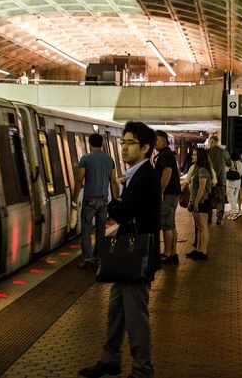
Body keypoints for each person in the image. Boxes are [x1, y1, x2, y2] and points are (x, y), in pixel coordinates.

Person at [79, 121, 161, 378]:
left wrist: (115, 204)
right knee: (116, 310)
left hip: (138, 256)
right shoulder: (137, 173)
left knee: (136, 315)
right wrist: (121, 204)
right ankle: (110, 359)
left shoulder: (146, 176)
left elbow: (124, 213)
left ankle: (142, 370)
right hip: (128, 256)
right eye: (123, 142)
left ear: (145, 147)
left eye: (130, 143)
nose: (124, 148)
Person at [72, 133, 120, 269]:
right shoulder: (109, 159)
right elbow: (113, 182)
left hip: (89, 199)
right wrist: (115, 199)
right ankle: (98, 256)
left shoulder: (86, 158)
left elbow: (80, 178)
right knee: (101, 229)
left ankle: (88, 258)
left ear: (90, 144)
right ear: (102, 144)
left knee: (86, 229)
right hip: (104, 199)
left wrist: (74, 198)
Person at [153, 130, 181, 265]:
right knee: (171, 224)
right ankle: (173, 252)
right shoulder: (166, 154)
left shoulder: (165, 155)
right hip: (172, 193)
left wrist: (160, 191)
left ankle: (167, 253)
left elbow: (167, 172)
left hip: (168, 193)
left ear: (164, 141)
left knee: (166, 224)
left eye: (156, 140)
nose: (154, 143)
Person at [182, 147, 214, 260]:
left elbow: (202, 188)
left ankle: (203, 251)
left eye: (195, 154)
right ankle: (198, 249)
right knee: (199, 227)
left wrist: (195, 202)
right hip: (197, 200)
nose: (192, 156)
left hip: (202, 201)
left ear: (200, 157)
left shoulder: (203, 170)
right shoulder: (197, 169)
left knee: (203, 227)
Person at [207, 135, 230, 225]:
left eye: (209, 142)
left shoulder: (207, 152)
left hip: (210, 179)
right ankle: (219, 217)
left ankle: (209, 217)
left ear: (212, 142)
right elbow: (229, 163)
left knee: (209, 197)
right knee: (221, 198)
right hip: (221, 179)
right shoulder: (224, 152)